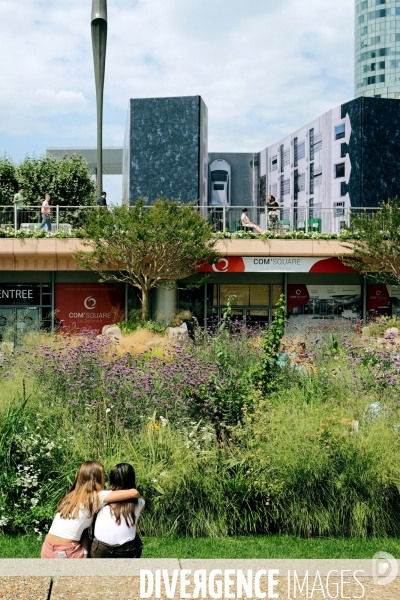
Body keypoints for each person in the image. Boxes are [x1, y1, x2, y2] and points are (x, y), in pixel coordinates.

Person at [40, 461, 139, 559]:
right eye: (103, 474)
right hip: (66, 552)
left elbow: (84, 531)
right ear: (98, 478)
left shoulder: (72, 496)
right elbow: (134, 493)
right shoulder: (96, 497)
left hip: (47, 548)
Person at [91, 463, 145, 558]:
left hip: (100, 549)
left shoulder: (100, 498)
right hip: (127, 549)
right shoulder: (140, 502)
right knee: (135, 534)